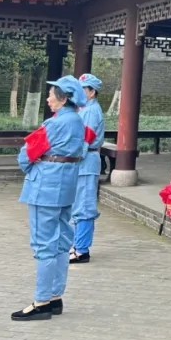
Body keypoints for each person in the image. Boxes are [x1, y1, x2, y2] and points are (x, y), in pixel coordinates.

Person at [11, 76, 89, 321]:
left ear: (63, 98)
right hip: (67, 182)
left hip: (45, 184)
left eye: (51, 94)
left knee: (44, 243)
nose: (47, 98)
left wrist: (30, 165)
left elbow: (27, 153)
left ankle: (41, 301)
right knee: (62, 241)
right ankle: (55, 296)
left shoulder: (54, 123)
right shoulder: (78, 121)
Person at [69, 74, 105, 264]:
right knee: (77, 205)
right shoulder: (83, 109)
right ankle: (76, 245)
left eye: (83, 89)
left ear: (92, 92)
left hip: (86, 160)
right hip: (81, 161)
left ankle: (82, 249)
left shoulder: (91, 111)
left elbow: (86, 138)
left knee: (84, 206)